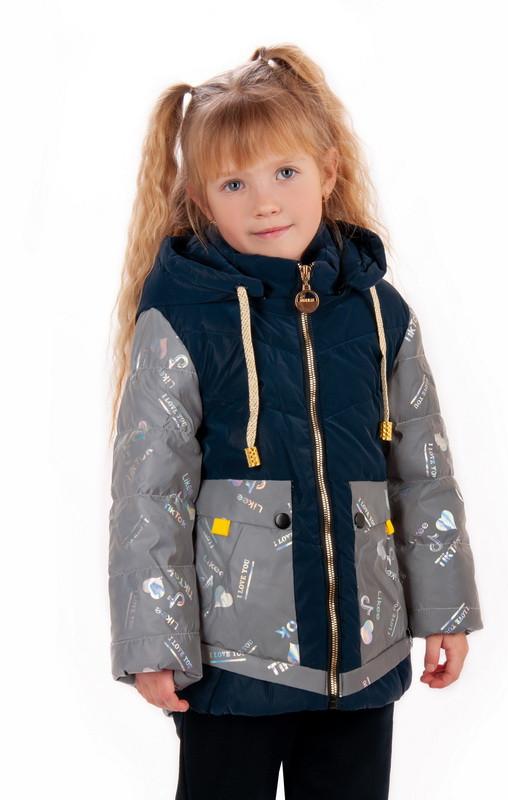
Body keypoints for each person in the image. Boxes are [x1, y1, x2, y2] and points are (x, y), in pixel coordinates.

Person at [107, 43, 484, 800]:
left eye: (285, 173)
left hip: (362, 658)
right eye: (234, 183)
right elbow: (149, 494)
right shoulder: (182, 319)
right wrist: (153, 639)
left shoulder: (379, 313)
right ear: (200, 199)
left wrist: (445, 607)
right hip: (230, 663)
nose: (265, 203)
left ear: (328, 171)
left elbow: (423, 471)